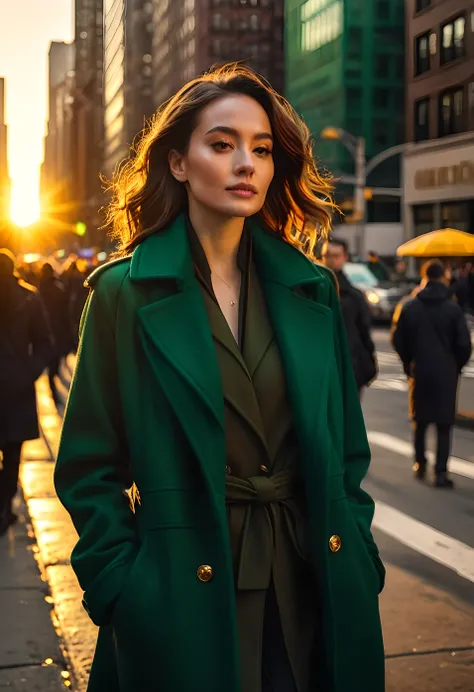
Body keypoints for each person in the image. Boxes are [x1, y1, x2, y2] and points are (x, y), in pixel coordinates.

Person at [54, 63, 385, 692]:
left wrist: (361, 557)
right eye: (222, 144)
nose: (247, 164)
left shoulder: (312, 289)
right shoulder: (123, 294)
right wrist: (122, 586)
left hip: (314, 581)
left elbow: (347, 450)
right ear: (178, 163)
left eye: (261, 149)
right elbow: (87, 468)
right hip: (177, 594)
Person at [391, 259, 472, 488]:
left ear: (424, 277)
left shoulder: (411, 307)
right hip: (446, 371)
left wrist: (409, 363)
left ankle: (420, 462)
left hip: (420, 369)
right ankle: (441, 472)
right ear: (444, 277)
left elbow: (398, 339)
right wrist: (455, 364)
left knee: (420, 419)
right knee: (444, 424)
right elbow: (464, 344)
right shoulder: (453, 309)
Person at [0, 249, 53, 535]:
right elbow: (45, 343)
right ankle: (5, 506)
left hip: (14, 386)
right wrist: (27, 372)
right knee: (12, 455)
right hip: (17, 389)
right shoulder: (29, 297)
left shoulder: (30, 298)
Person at [321, 237, 377, 396]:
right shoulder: (314, 291)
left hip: (350, 366)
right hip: (323, 367)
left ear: (345, 258)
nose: (331, 260)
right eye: (328, 255)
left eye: (336, 255)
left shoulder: (354, 296)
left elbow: (364, 332)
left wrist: (368, 365)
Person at [38, 262, 70, 403]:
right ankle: (53, 386)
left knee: (51, 360)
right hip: (58, 330)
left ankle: (52, 387)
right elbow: (65, 313)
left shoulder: (37, 291)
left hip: (44, 331)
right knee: (55, 361)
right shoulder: (59, 288)